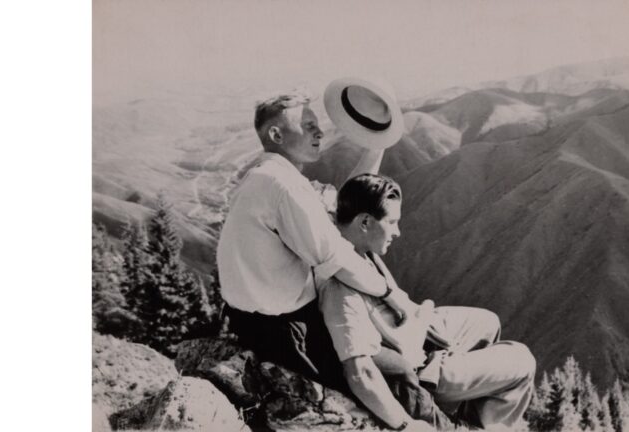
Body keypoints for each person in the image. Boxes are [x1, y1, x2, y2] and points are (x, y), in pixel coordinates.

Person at [216, 92, 414, 393]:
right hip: (284, 330)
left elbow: (343, 206)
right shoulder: (282, 187)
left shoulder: (268, 176)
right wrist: (390, 293)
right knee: (400, 371)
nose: (319, 132)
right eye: (308, 126)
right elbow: (337, 260)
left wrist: (377, 143)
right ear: (276, 134)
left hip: (257, 322)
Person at [318, 174, 537, 430]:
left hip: (414, 332)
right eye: (392, 222)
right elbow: (359, 373)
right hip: (420, 364)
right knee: (522, 361)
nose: (398, 232)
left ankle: (470, 394)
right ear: (365, 222)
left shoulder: (348, 242)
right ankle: (475, 425)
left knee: (488, 323)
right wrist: (404, 425)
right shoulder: (340, 293)